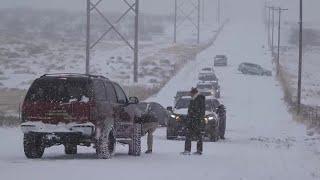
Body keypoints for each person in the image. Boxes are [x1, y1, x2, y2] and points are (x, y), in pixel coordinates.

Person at [182, 87, 206, 155]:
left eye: (190, 93)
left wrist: (196, 118)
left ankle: (198, 150)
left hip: (196, 121)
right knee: (189, 135)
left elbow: (200, 111)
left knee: (198, 135)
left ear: (194, 93)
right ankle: (188, 150)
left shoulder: (199, 99)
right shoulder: (194, 99)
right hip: (192, 120)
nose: (190, 94)